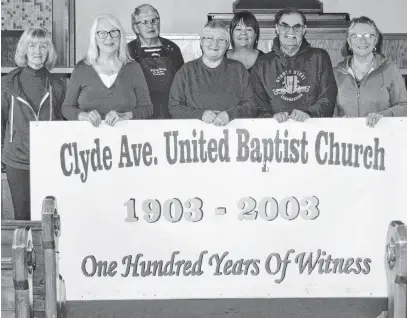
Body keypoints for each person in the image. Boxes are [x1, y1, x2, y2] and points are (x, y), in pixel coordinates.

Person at [1, 27, 65, 220]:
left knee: (47, 217)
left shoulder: (58, 85)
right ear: (24, 50)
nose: (37, 51)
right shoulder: (7, 83)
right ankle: (25, 251)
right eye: (32, 45)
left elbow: (63, 124)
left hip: (49, 161)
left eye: (43, 46)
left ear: (49, 51)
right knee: (23, 216)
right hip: (17, 161)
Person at [62, 14, 153, 126]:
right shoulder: (81, 68)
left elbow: (147, 108)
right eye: (102, 33)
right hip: (88, 140)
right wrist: (84, 116)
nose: (109, 38)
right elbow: (67, 108)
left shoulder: (134, 68)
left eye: (113, 32)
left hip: (125, 140)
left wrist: (125, 115)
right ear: (94, 37)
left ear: (120, 36)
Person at [251, 7, 337, 122]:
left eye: (297, 27)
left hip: (313, 130)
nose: (291, 31)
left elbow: (328, 98)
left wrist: (309, 114)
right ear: (277, 28)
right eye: (285, 26)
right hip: (275, 134)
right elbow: (256, 103)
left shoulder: (320, 57)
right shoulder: (262, 63)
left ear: (304, 29)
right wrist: (271, 118)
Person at [168, 21, 256, 126]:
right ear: (201, 42)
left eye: (221, 40)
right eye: (209, 38)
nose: (214, 44)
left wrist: (230, 115)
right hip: (195, 139)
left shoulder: (238, 70)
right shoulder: (186, 71)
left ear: (227, 44)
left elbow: (252, 105)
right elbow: (174, 108)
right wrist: (200, 115)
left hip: (233, 136)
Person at [333, 16, 407, 127]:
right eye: (355, 36)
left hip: (381, 139)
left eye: (368, 35)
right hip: (345, 140)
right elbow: (327, 111)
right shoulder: (335, 73)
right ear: (349, 42)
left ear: (375, 40)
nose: (362, 40)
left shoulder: (390, 69)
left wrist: (383, 115)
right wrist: (340, 120)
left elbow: (404, 107)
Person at [128, 4, 184, 119]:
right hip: (141, 115)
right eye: (144, 22)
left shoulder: (172, 48)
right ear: (135, 27)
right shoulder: (128, 51)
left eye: (154, 20)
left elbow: (182, 84)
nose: (150, 25)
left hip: (169, 113)